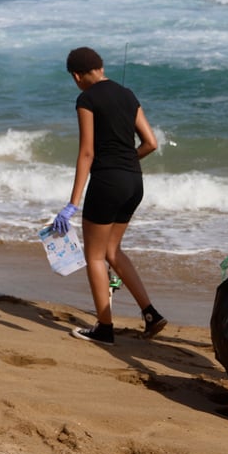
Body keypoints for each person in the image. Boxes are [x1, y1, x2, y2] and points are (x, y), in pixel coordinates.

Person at [51, 46, 165, 346]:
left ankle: (104, 326)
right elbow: (150, 143)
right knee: (112, 250)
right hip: (133, 182)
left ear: (77, 76)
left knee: (95, 255)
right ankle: (150, 313)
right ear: (100, 67)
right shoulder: (128, 95)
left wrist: (72, 204)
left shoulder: (86, 98)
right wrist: (126, 162)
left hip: (107, 182)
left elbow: (87, 152)